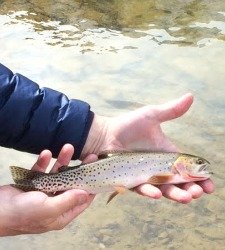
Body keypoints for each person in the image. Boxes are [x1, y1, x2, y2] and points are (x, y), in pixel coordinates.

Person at [0, 64, 214, 236]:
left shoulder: (171, 168)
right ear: (182, 163)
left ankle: (37, 182)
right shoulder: (170, 169)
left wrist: (100, 134)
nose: (201, 166)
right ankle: (39, 182)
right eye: (197, 163)